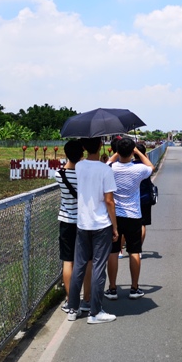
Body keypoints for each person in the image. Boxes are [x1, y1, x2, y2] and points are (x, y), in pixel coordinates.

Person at [67, 137, 119, 324]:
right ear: (99, 145)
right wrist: (115, 227)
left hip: (82, 223)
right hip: (101, 224)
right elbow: (109, 201)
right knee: (98, 266)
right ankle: (95, 312)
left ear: (84, 147)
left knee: (79, 266)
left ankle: (73, 308)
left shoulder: (79, 166)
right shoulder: (106, 170)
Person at [105, 137, 154, 300]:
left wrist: (115, 155)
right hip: (133, 215)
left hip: (114, 217)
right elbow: (151, 167)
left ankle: (112, 289)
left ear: (117, 151)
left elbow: (106, 164)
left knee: (113, 252)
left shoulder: (110, 169)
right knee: (134, 251)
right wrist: (138, 151)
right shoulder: (138, 169)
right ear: (132, 151)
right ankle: (134, 288)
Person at [55, 140, 91, 314]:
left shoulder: (58, 174)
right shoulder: (85, 174)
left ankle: (71, 302)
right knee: (87, 261)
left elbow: (67, 166)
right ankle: (87, 299)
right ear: (82, 153)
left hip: (66, 221)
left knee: (68, 261)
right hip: (85, 222)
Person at [135, 141, 154, 247]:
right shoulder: (145, 168)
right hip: (145, 199)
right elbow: (151, 167)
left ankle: (120, 250)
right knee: (143, 224)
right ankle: (138, 248)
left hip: (132, 199)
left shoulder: (130, 166)